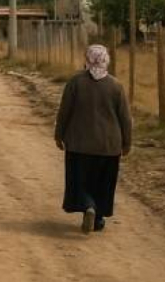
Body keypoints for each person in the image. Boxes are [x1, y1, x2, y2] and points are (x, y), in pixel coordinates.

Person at [54, 44, 133, 234]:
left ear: (87, 59)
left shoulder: (75, 82)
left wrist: (59, 135)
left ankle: (88, 206)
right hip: (108, 147)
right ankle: (97, 219)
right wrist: (127, 143)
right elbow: (125, 118)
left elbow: (64, 112)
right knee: (102, 184)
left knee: (79, 182)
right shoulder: (116, 86)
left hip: (79, 145)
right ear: (106, 60)